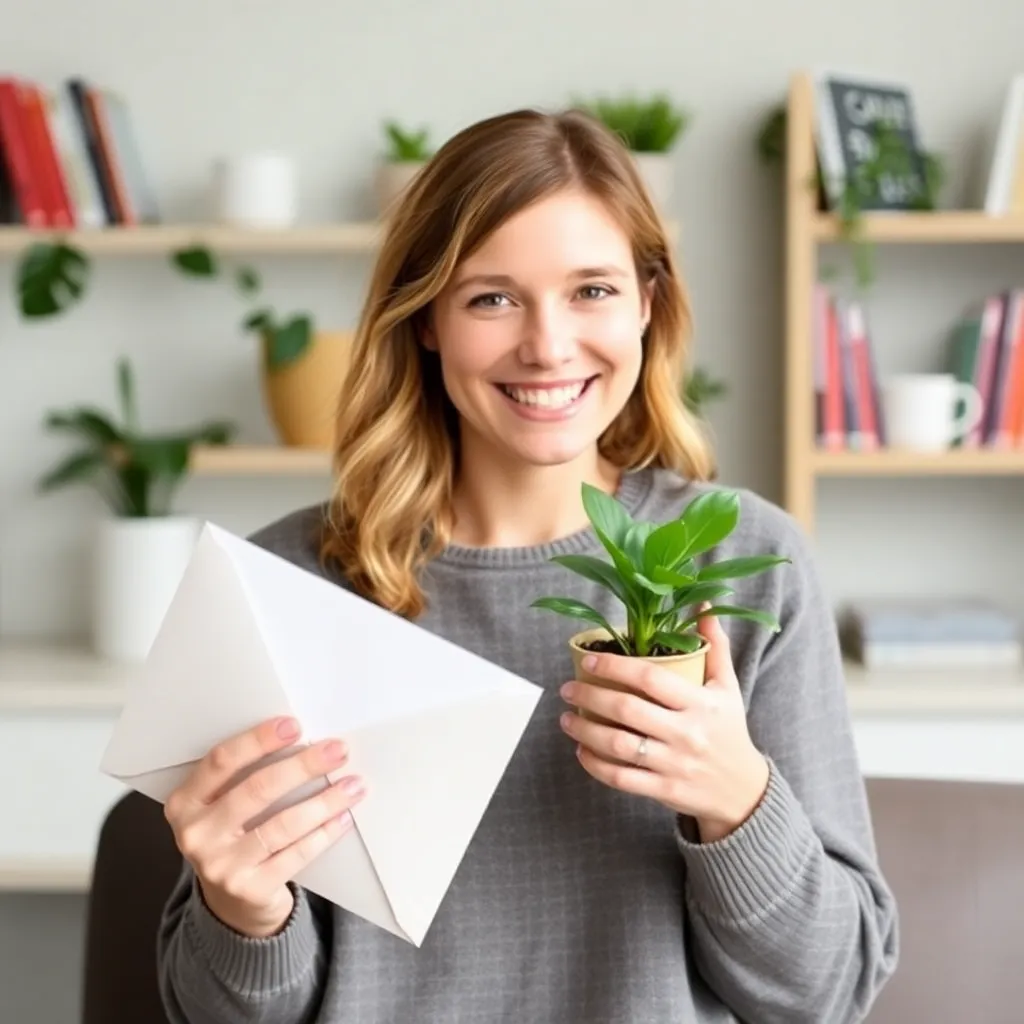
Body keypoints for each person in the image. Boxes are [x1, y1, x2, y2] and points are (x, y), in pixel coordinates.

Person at [156, 107, 898, 1024]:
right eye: (491, 298)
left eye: (592, 290)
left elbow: (827, 993)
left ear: (648, 305)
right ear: (426, 320)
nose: (548, 345)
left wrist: (737, 799)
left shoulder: (748, 562)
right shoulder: (284, 586)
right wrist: (243, 910)